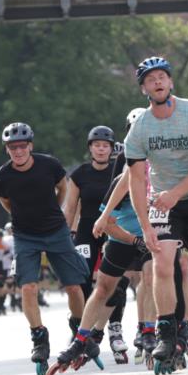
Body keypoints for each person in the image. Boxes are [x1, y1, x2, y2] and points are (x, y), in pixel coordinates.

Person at [124, 55, 188, 375]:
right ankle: (166, 333)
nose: (157, 82)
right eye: (150, 79)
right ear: (144, 89)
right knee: (162, 264)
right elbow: (136, 181)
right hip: (164, 202)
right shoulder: (140, 129)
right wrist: (145, 227)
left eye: (161, 77)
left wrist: (177, 193)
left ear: (171, 82)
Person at [0, 122, 89, 375]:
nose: (18, 151)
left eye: (22, 146)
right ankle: (39, 336)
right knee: (28, 286)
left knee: (73, 285)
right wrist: (20, 218)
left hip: (56, 231)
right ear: (7, 150)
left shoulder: (49, 165)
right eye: (13, 147)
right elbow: (6, 202)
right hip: (25, 235)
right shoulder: (2, 177)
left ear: (30, 146)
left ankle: (79, 330)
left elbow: (63, 188)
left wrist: (53, 212)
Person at [64, 125, 128, 357]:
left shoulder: (118, 171)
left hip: (112, 229)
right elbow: (71, 207)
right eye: (97, 145)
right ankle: (80, 332)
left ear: (111, 149)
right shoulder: (79, 174)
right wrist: (66, 235)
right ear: (90, 148)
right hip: (86, 233)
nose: (101, 150)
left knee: (117, 283)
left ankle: (114, 329)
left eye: (105, 146)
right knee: (81, 280)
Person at [2, 222, 20, 312]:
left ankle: (17, 300)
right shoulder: (4, 239)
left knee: (16, 282)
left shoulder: (17, 237)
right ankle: (12, 299)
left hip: (15, 262)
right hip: (7, 263)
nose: (10, 231)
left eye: (11, 229)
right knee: (9, 282)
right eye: (9, 229)